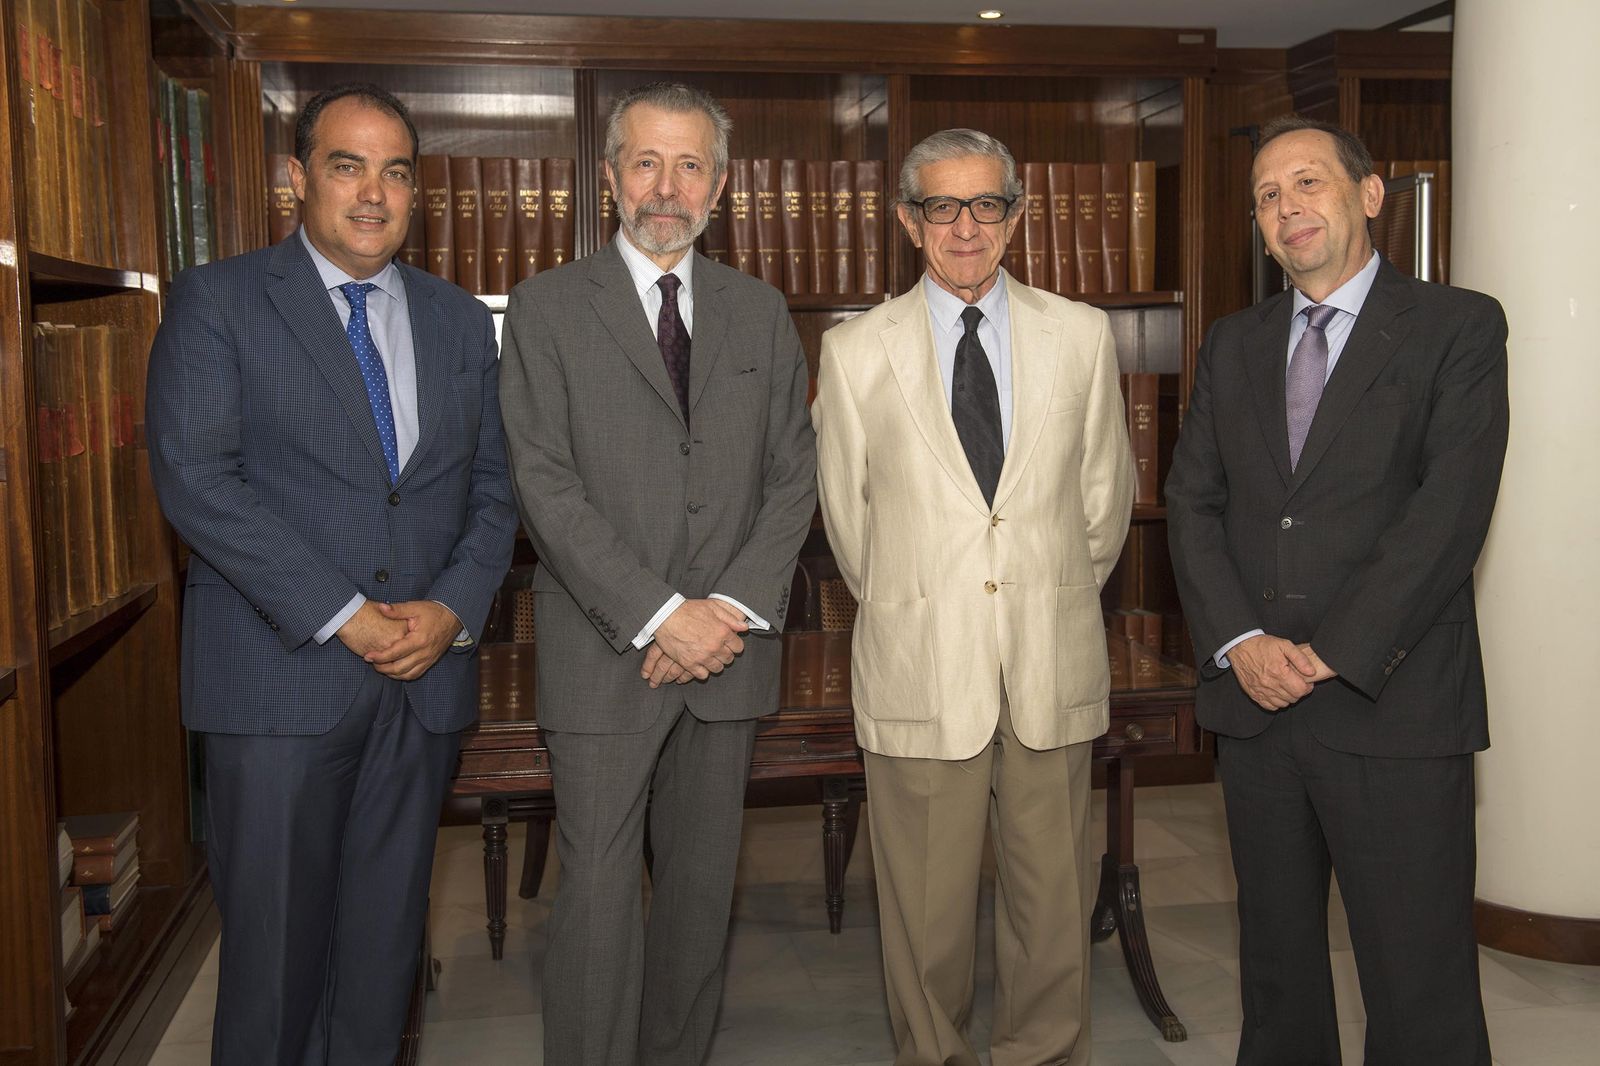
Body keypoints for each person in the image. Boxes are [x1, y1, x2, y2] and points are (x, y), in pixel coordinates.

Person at [145, 83, 517, 1065]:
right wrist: (346, 614)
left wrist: (451, 608)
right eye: (346, 165)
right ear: (295, 177)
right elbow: (197, 482)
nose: (372, 193)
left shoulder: (458, 321)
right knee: (273, 974)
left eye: (395, 170)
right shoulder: (218, 302)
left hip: (422, 686)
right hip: (278, 687)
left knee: (381, 964)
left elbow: (494, 492)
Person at [1165, 114, 1507, 1065]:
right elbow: (1191, 501)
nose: (1287, 207)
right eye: (1268, 196)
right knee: (1277, 983)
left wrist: (1328, 651)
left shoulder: (1458, 326)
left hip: (1391, 703)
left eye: (1307, 183)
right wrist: (1241, 641)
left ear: (1368, 196)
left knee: (1417, 981)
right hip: (1258, 710)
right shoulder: (1233, 344)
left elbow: (1448, 516)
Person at [497, 82, 816, 1066]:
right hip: (606, 654)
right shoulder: (547, 309)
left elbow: (792, 478)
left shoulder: (761, 313)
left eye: (688, 165)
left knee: (696, 891)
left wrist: (720, 613)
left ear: (719, 184)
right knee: (595, 894)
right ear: (607, 178)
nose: (665, 186)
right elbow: (543, 487)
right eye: (645, 161)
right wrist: (659, 613)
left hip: (728, 653)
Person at [812, 128, 1133, 1066]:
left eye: (986, 205)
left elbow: (1102, 503)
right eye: (942, 207)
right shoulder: (853, 350)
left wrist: (1039, 599)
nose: (965, 227)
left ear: (1017, 216)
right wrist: (934, 604)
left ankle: (1041, 1053)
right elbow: (850, 524)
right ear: (909, 221)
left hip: (1050, 658)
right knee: (926, 914)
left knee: (1052, 905)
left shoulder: (1079, 334)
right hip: (922, 665)